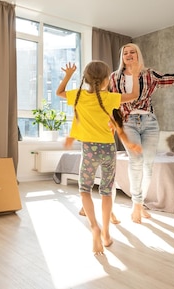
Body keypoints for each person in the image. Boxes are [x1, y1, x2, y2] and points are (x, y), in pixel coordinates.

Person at [109, 43, 174, 224]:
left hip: (150, 123)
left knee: (148, 166)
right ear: (122, 57)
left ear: (138, 55)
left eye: (132, 52)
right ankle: (136, 204)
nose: (129, 55)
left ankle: (139, 203)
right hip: (128, 121)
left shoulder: (149, 74)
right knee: (136, 161)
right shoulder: (115, 77)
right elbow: (111, 102)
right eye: (125, 53)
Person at [56, 61, 142, 255]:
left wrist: (68, 75)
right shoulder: (110, 98)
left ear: (85, 79)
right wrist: (135, 75)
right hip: (108, 150)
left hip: (89, 150)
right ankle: (106, 234)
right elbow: (135, 95)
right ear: (106, 80)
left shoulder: (77, 96)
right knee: (106, 191)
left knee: (84, 190)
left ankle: (94, 226)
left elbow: (59, 92)